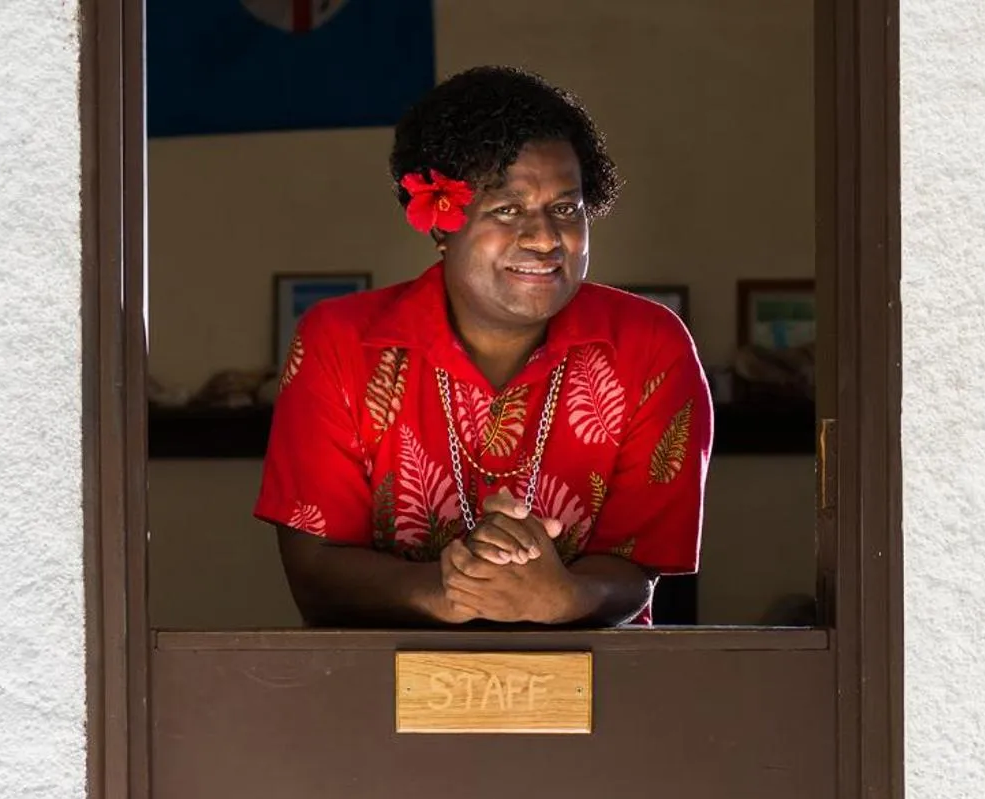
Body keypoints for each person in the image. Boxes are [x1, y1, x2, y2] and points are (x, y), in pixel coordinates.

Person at [255, 66, 713, 628]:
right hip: (375, 694)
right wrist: (444, 589)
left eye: (565, 208)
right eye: (508, 209)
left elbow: (640, 569)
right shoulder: (342, 344)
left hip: (594, 693)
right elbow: (313, 571)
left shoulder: (648, 345)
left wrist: (562, 596)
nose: (545, 237)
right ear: (442, 224)